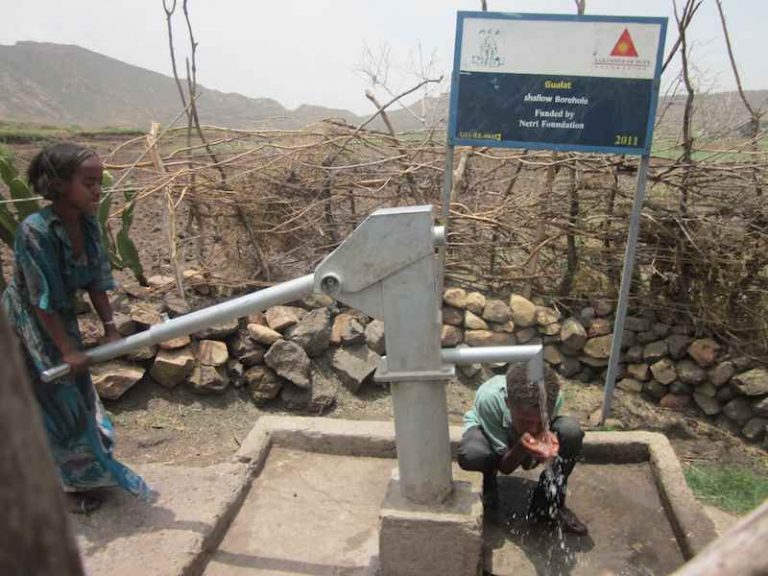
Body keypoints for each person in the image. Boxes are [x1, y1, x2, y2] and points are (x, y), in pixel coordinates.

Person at [2, 142, 149, 513]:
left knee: (75, 393)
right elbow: (40, 298)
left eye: (99, 181)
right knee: (55, 400)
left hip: (58, 319)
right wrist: (67, 349)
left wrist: (110, 327)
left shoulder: (87, 223)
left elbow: (98, 280)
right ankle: (62, 486)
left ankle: (81, 471)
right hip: (26, 325)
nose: (97, 190)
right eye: (88, 182)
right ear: (60, 184)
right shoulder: (35, 232)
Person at [458, 364, 588, 535]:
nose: (534, 428)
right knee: (474, 454)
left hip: (516, 426)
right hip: (493, 425)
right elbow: (505, 467)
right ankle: (488, 487)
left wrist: (545, 448)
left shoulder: (552, 398)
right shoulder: (488, 399)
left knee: (571, 432)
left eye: (542, 419)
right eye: (526, 421)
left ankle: (548, 504)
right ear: (507, 403)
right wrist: (523, 446)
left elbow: (529, 457)